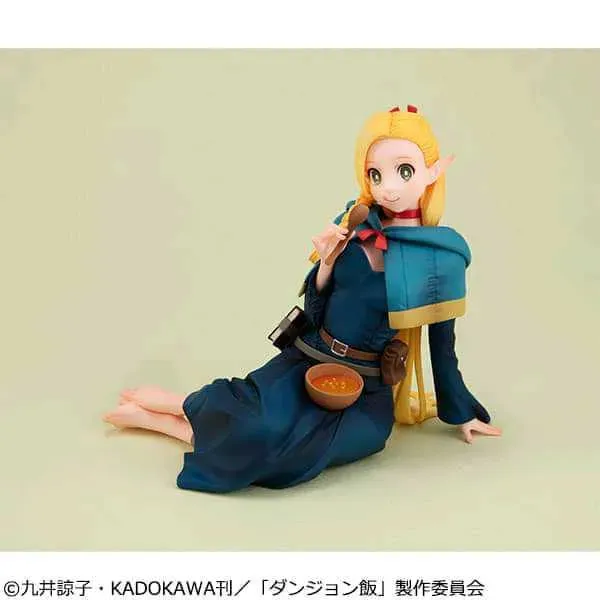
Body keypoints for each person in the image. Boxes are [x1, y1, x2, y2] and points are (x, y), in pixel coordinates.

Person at [103, 105, 502, 493]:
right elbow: (317, 304)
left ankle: (171, 425)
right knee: (260, 418)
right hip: (310, 358)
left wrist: (461, 413)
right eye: (376, 174)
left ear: (435, 170)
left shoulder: (440, 258)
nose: (389, 187)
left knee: (317, 445)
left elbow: (442, 345)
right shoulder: (354, 222)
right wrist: (326, 260)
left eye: (405, 170)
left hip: (365, 387)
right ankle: (181, 406)